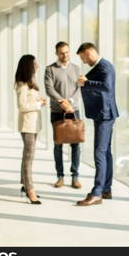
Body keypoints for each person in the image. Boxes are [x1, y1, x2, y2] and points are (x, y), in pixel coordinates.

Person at [76, 42, 119, 206]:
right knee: (105, 152)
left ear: (89, 52)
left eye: (83, 58)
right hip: (104, 114)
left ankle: (97, 192)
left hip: (105, 114)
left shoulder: (105, 66)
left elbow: (107, 87)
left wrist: (86, 82)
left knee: (99, 153)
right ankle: (106, 189)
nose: (84, 61)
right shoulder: (101, 66)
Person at [44, 42, 82, 189]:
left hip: (74, 110)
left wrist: (70, 102)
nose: (64, 55)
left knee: (75, 144)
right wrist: (62, 102)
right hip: (57, 111)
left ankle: (75, 176)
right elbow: (49, 89)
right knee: (58, 144)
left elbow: (79, 88)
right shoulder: (50, 70)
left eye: (67, 52)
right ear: (56, 53)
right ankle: (60, 176)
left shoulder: (76, 68)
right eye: (61, 53)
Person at [15, 54, 46, 205]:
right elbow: (21, 107)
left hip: (33, 124)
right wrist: (38, 105)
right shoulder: (21, 85)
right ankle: (30, 189)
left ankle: (24, 184)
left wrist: (39, 101)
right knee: (29, 158)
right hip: (27, 125)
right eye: (35, 63)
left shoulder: (30, 82)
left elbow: (30, 102)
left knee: (28, 156)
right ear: (28, 65)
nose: (37, 66)